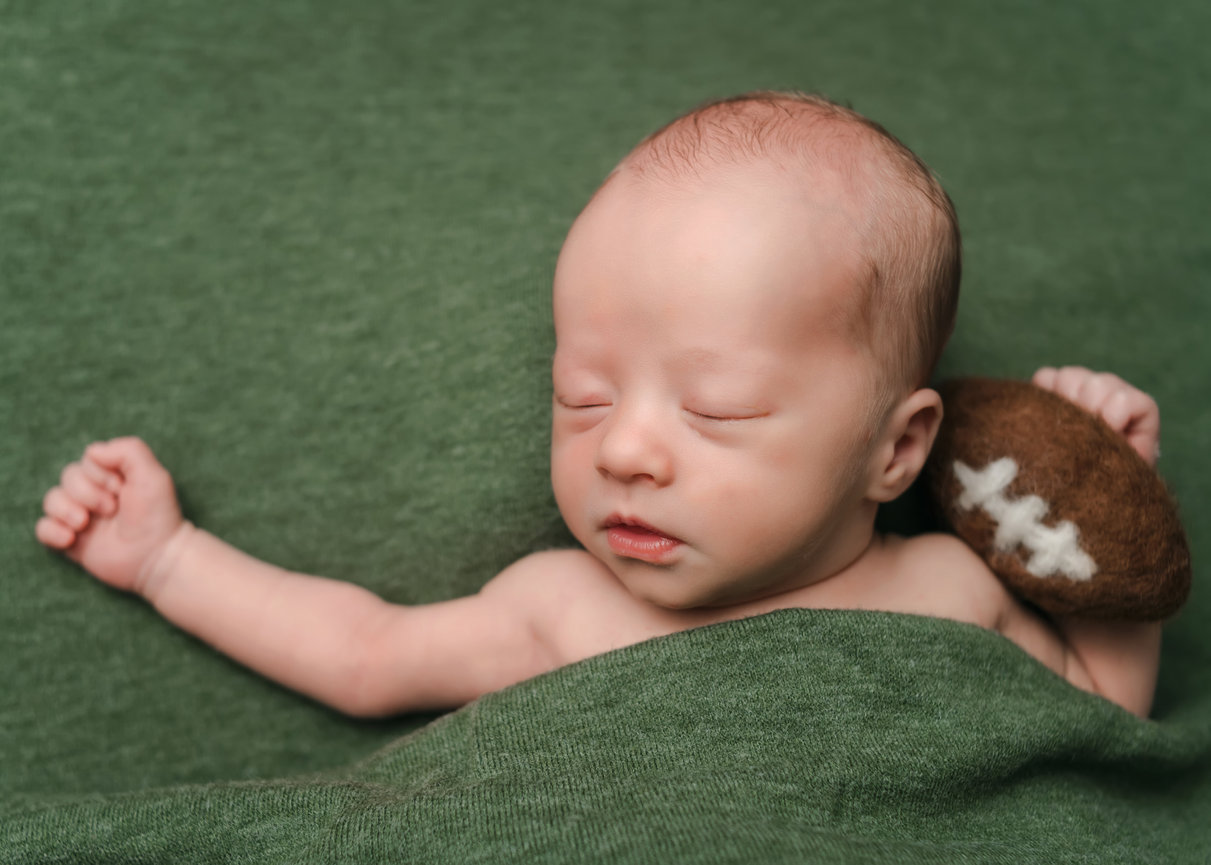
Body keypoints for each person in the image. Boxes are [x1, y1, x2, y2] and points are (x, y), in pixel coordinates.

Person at [34, 92, 1165, 719]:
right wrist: (170, 558)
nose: (622, 448)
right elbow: (367, 652)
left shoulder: (953, 592)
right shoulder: (560, 610)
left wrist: (1112, 500)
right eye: (580, 398)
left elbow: (1107, 718)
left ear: (895, 447)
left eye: (714, 409)